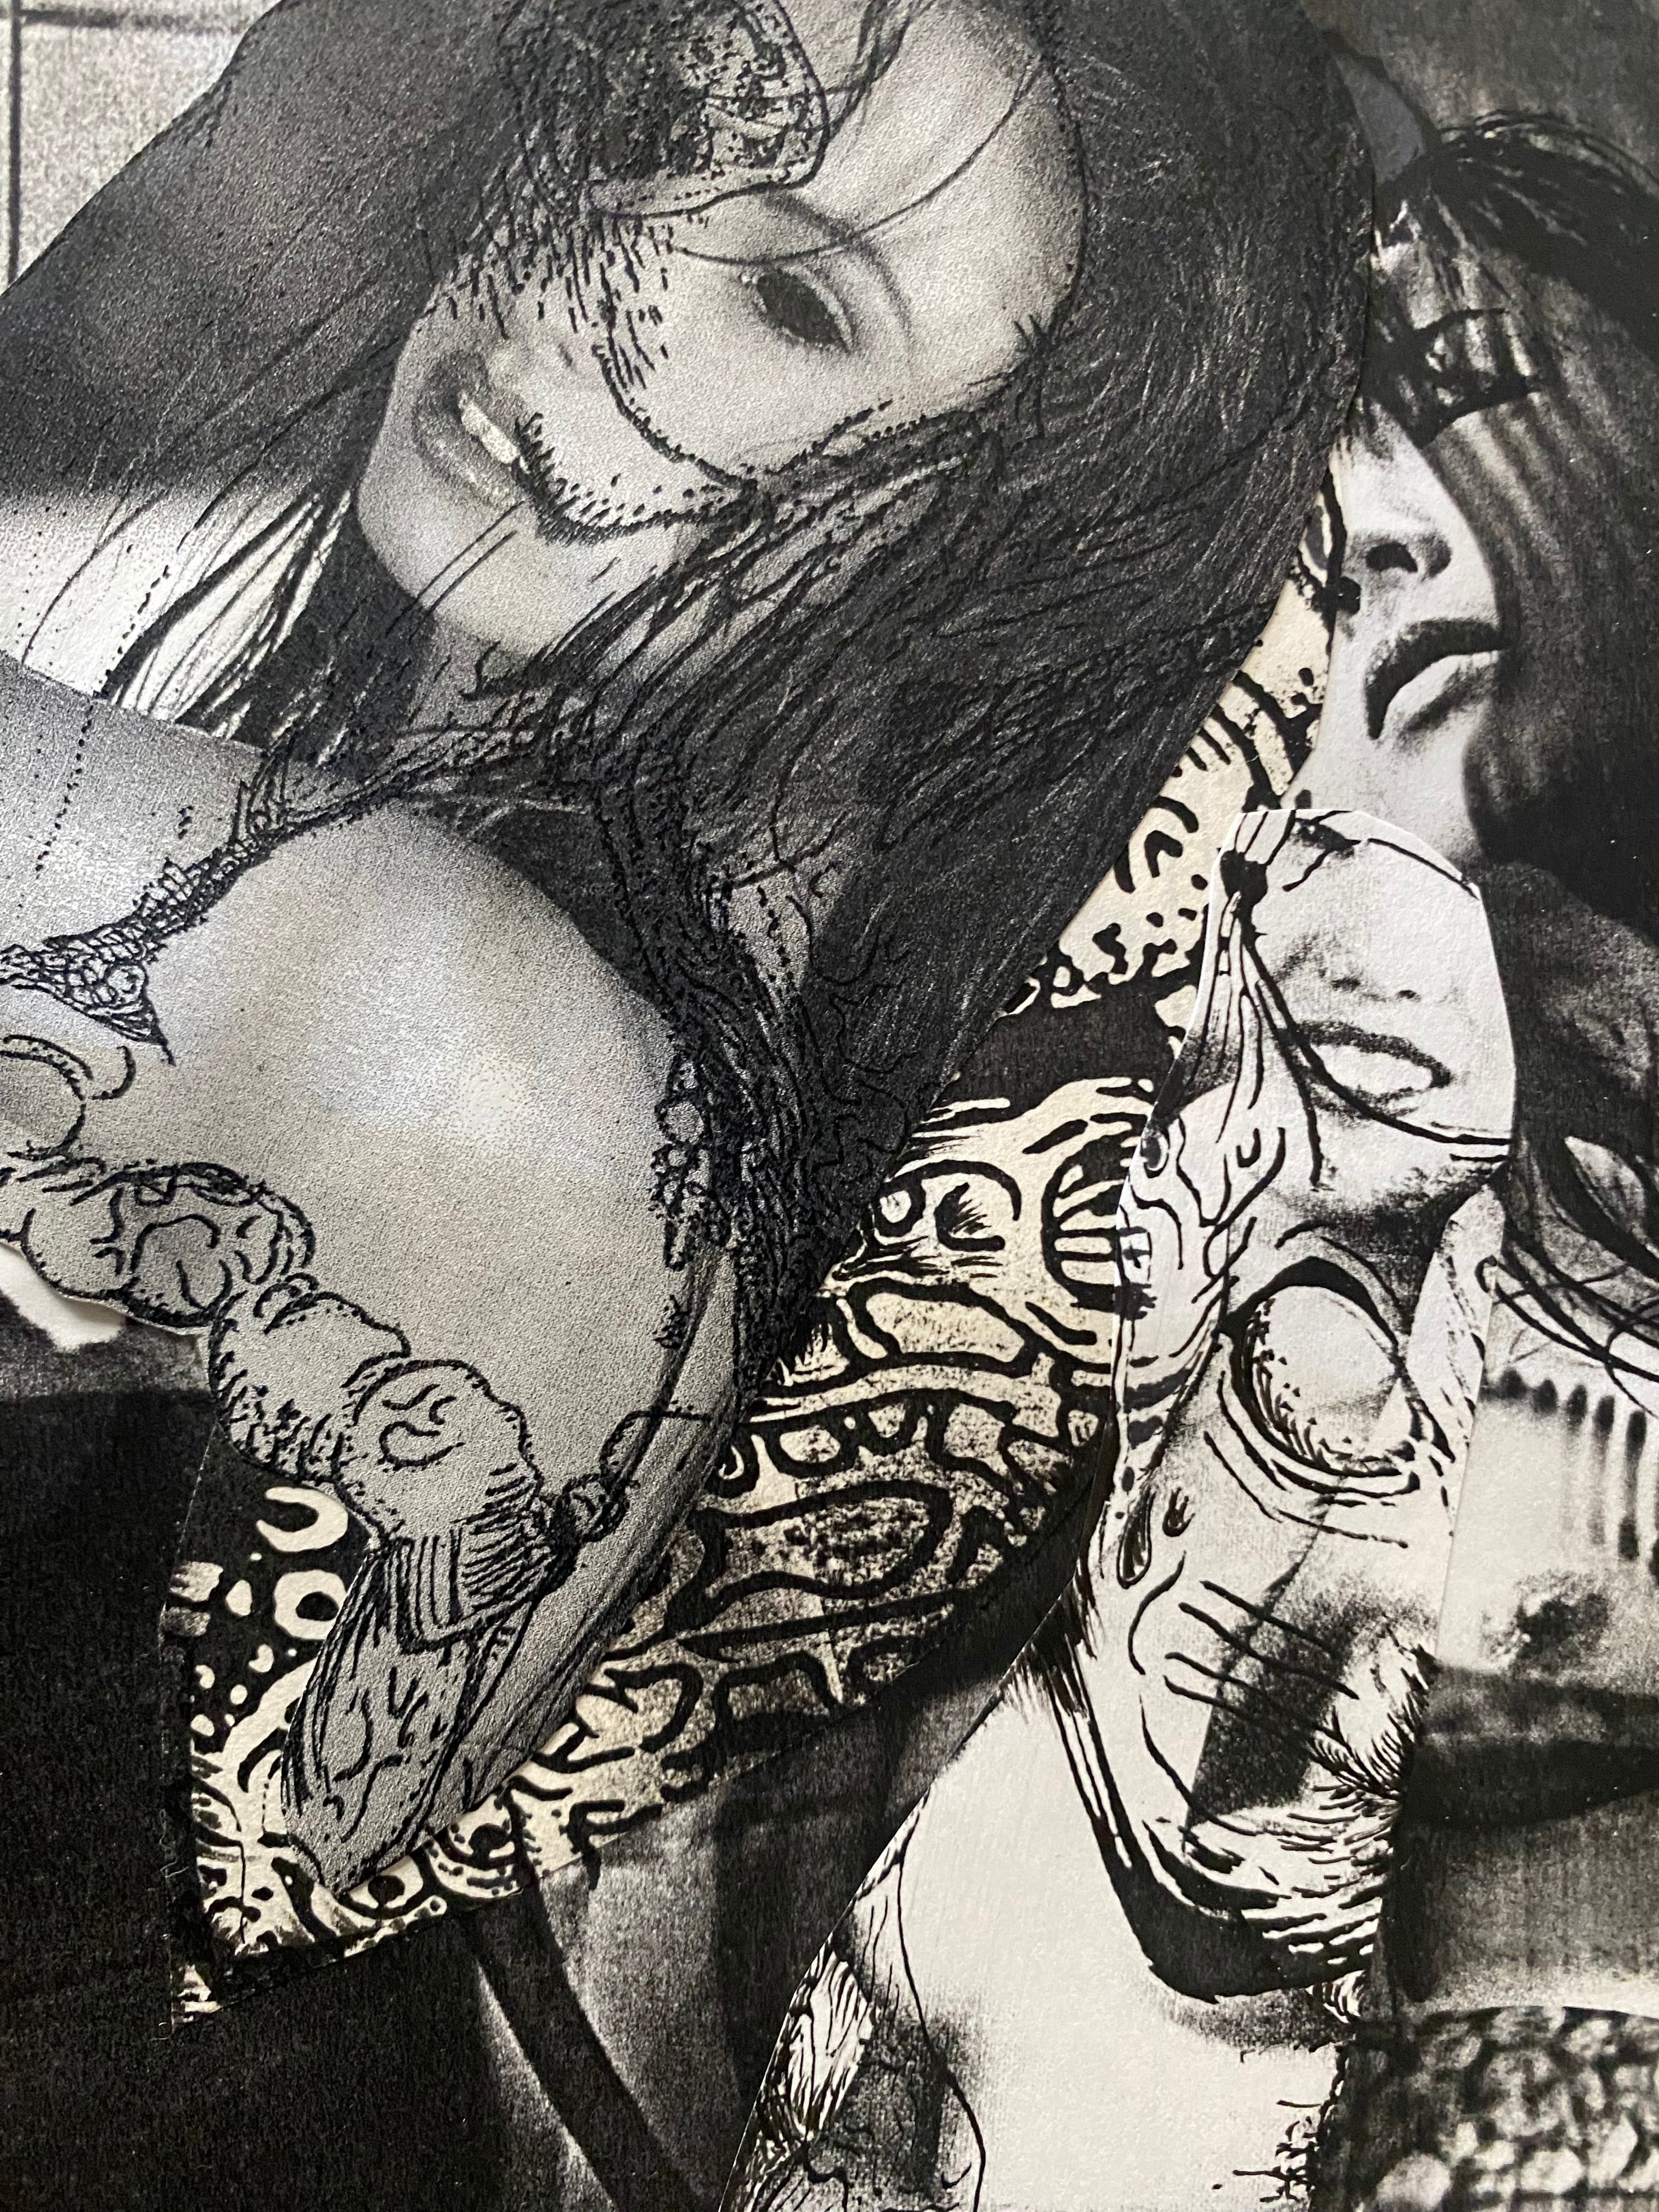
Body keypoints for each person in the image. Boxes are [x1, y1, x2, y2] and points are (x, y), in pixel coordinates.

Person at [0, 0, 1366, 1912]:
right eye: (657, 122)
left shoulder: (451, 1006)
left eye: (798, 302)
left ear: (1009, 567)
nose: (603, 259)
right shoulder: (639, 1036)